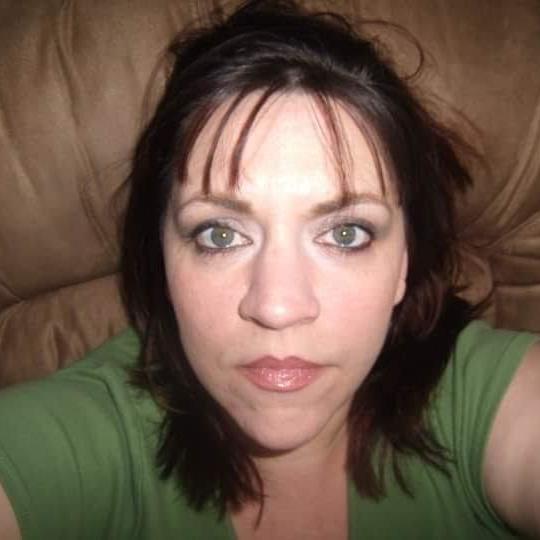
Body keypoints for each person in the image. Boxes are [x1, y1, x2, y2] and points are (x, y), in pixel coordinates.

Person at [1, 0, 539, 538]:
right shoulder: (86, 440)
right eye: (220, 234)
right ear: (160, 255)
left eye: (345, 234)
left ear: (405, 261)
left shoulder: (477, 396)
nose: (278, 307)